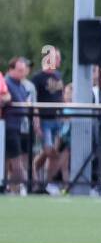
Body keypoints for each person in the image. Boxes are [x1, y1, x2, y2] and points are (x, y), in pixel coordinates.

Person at [30, 45, 65, 193]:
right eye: (55, 57)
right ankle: (34, 175)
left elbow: (60, 97)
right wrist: (36, 120)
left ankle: (46, 183)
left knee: (54, 153)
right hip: (44, 119)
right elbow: (34, 100)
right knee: (48, 150)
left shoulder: (58, 76)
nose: (58, 60)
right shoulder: (38, 78)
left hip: (57, 119)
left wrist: (64, 113)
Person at [4, 57, 34, 193]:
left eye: (24, 70)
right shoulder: (6, 83)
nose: (23, 73)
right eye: (20, 70)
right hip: (9, 127)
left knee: (13, 161)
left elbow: (24, 103)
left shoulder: (21, 85)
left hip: (19, 127)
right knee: (15, 162)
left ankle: (13, 188)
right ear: (11, 70)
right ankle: (32, 187)